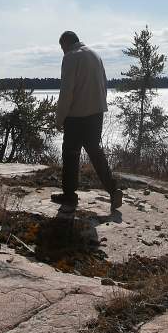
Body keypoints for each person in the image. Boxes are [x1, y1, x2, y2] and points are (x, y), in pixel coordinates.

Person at [52, 30, 122, 211]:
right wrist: (99, 107)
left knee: (70, 153)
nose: (63, 52)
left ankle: (69, 196)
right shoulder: (95, 55)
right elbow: (104, 84)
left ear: (66, 43)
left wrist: (59, 118)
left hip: (76, 116)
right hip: (96, 113)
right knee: (95, 152)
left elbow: (66, 91)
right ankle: (113, 190)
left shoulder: (71, 57)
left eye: (62, 48)